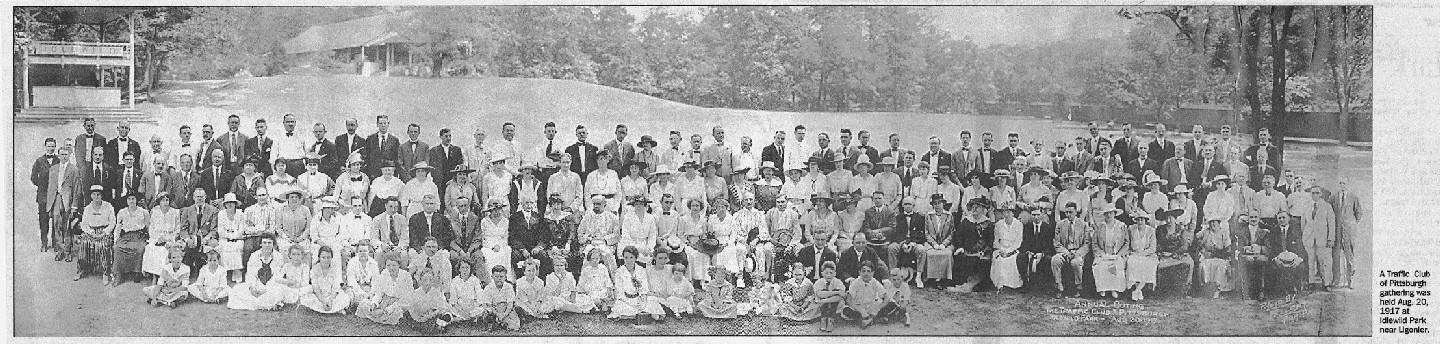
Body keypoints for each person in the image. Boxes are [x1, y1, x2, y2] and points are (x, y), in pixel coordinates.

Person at [227, 235, 287, 311]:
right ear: (261, 244)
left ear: (273, 244)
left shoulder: (278, 257)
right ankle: (267, 305)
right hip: (257, 284)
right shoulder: (254, 255)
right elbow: (250, 274)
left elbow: (277, 276)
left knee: (279, 291)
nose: (267, 245)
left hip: (271, 286)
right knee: (235, 290)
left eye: (269, 243)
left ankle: (262, 303)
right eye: (264, 243)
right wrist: (252, 288)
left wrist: (265, 290)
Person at [610, 246, 665, 321]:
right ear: (623, 258)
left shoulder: (641, 270)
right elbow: (619, 291)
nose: (628, 260)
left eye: (631, 257)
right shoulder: (619, 272)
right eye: (626, 257)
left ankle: (640, 313)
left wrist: (643, 299)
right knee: (619, 306)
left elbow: (644, 287)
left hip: (639, 298)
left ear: (635, 258)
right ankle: (637, 314)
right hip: (626, 300)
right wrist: (630, 302)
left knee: (652, 300)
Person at [949, 197, 991, 293]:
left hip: (982, 252)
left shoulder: (987, 223)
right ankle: (961, 283)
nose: (975, 209)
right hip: (967, 250)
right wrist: (960, 247)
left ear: (983, 209)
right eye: (973, 207)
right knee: (960, 258)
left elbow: (990, 239)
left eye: (977, 207)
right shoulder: (966, 221)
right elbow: (958, 236)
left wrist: (984, 251)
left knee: (984, 262)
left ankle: (977, 285)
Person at [358, 253, 411, 325]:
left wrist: (389, 308)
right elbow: (379, 293)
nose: (391, 268)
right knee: (364, 303)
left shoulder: (406, 276)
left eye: (394, 265)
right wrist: (374, 303)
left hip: (399, 303)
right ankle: (380, 316)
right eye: (388, 265)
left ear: (399, 265)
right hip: (385, 301)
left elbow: (407, 297)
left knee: (396, 313)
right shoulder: (384, 273)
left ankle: (383, 317)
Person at [1091, 200, 1128, 299]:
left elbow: (1126, 243)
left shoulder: (1121, 226)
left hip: (1116, 253)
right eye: (1106, 213)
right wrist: (1101, 253)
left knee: (1116, 265)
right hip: (1104, 253)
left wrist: (1119, 253)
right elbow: (1094, 243)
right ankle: (1103, 289)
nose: (1108, 215)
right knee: (1101, 265)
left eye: (1111, 213)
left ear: (1114, 214)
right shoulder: (1100, 226)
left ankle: (1114, 289)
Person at [1051, 202, 1089, 298]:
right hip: (1064, 251)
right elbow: (1056, 243)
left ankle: (1078, 287)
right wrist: (1066, 252)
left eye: (1071, 212)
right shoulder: (1060, 224)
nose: (1068, 215)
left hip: (1077, 252)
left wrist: (1077, 253)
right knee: (1055, 260)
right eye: (1066, 212)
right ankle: (1059, 286)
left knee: (1076, 262)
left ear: (1076, 212)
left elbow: (1087, 244)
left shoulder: (1083, 225)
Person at [1330, 179, 1363, 291]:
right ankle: (1336, 279)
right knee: (1336, 256)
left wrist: (1351, 224)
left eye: (1344, 183)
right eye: (1340, 183)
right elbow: (1330, 212)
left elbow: (1358, 212)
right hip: (1336, 231)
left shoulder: (1353, 197)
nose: (1342, 185)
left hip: (1349, 231)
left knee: (1349, 256)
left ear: (1347, 184)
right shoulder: (1333, 197)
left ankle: (1350, 280)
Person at [404, 267, 458, 334]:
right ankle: (433, 325)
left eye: (430, 280)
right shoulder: (416, 293)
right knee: (407, 316)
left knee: (445, 315)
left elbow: (440, 308)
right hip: (419, 315)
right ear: (420, 280)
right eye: (425, 280)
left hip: (432, 315)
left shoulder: (436, 293)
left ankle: (439, 324)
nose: (428, 282)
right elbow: (411, 308)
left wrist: (429, 316)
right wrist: (417, 318)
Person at [1303, 185, 1337, 291]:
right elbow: (1303, 223)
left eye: (1317, 193)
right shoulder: (1307, 206)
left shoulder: (1327, 206)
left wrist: (1331, 238)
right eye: (1313, 193)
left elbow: (1331, 223)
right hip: (1309, 238)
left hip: (1323, 239)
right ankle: (1311, 282)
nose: (1315, 195)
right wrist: (1304, 235)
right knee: (1310, 261)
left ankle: (1326, 283)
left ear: (1321, 194)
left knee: (1324, 262)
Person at [112, 193, 150, 286]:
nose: (131, 201)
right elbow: (118, 227)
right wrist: (115, 239)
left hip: (139, 236)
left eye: (133, 198)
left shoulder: (143, 212)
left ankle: (137, 272)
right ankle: (119, 274)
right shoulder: (122, 212)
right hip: (126, 236)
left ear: (136, 200)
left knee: (140, 249)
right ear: (127, 201)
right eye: (129, 199)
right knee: (118, 248)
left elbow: (149, 227)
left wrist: (150, 239)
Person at [1266, 211, 1307, 298]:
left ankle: (1296, 289)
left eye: (1283, 217)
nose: (1281, 220)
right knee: (1271, 267)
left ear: (1288, 218)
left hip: (1293, 259)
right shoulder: (1273, 231)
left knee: (1301, 267)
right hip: (1279, 259)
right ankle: (1278, 291)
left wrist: (1297, 261)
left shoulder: (1296, 230)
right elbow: (1271, 248)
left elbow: (1301, 248)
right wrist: (1276, 259)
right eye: (1279, 218)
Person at [300, 246, 351, 314]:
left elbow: (335, 288)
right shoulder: (315, 269)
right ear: (319, 258)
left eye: (328, 257)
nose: (326, 260)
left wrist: (330, 300)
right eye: (323, 257)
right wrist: (323, 301)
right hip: (318, 296)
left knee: (344, 298)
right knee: (306, 296)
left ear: (331, 258)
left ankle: (333, 306)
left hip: (332, 295)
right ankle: (327, 307)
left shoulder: (335, 269)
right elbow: (316, 289)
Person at [1233, 214, 1271, 301]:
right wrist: (1247, 249)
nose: (1253, 219)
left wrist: (1259, 248)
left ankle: (1261, 291)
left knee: (1261, 260)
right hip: (1246, 255)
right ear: (1248, 219)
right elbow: (1238, 247)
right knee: (1248, 260)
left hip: (1260, 255)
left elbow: (1268, 248)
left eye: (1255, 217)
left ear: (1259, 219)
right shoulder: (1242, 232)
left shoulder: (1264, 232)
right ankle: (1247, 293)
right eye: (1251, 217)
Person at [840, 261, 886, 329]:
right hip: (859, 307)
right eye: (863, 271)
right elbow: (849, 299)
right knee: (845, 311)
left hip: (871, 308)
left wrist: (877, 309)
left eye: (868, 271)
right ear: (859, 272)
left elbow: (886, 297)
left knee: (891, 305)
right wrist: (861, 310)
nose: (866, 274)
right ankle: (871, 319)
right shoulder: (856, 283)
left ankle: (868, 320)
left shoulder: (875, 282)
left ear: (872, 273)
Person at [990, 202, 1025, 291]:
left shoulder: (1018, 225)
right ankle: (1000, 285)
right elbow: (996, 240)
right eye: (1004, 212)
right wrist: (1001, 250)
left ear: (1013, 213)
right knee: (999, 260)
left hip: (1013, 250)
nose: (1006, 214)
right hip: (1001, 249)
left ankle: (1011, 285)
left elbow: (1018, 241)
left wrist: (1009, 251)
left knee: (1011, 261)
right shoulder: (998, 224)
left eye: (1008, 212)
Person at [1125, 211, 1158, 301]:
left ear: (1145, 221)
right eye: (1138, 220)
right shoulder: (1131, 229)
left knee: (1148, 265)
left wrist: (1142, 254)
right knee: (1131, 263)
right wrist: (1130, 252)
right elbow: (1127, 243)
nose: (1140, 222)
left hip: (1147, 255)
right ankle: (1137, 290)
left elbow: (1152, 248)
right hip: (1134, 254)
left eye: (1142, 220)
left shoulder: (1151, 230)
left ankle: (1137, 289)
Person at [1198, 218, 1234, 298]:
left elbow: (1228, 248)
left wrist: (1221, 253)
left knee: (1220, 265)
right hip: (1208, 257)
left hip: (1220, 257)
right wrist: (1204, 251)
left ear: (1219, 223)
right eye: (1211, 222)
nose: (1212, 224)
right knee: (1203, 265)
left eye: (1214, 222)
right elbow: (1200, 245)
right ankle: (1206, 288)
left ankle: (1218, 289)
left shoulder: (1223, 233)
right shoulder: (1206, 232)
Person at [480, 265, 522, 330]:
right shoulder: (488, 287)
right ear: (492, 277)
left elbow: (510, 304)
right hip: (494, 308)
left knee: (515, 325)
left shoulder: (508, 287)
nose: (499, 279)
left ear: (505, 277)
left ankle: (501, 323)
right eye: (496, 277)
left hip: (506, 309)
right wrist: (497, 314)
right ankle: (495, 322)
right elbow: (488, 304)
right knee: (488, 312)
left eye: (501, 277)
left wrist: (504, 314)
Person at [578, 247, 615, 313]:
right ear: (589, 259)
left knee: (606, 295)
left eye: (597, 259)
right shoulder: (586, 270)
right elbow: (581, 283)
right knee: (585, 299)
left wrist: (609, 292)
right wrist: (582, 292)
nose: (595, 261)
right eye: (593, 259)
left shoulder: (603, 268)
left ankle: (601, 304)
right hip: (590, 292)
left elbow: (607, 281)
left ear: (600, 259)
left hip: (601, 290)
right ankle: (599, 304)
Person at [813, 261, 847, 332]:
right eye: (826, 273)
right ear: (822, 273)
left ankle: (831, 319)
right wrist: (836, 292)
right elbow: (820, 294)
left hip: (834, 304)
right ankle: (823, 319)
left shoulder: (838, 282)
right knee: (825, 291)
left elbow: (841, 296)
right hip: (821, 304)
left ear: (835, 273)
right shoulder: (819, 282)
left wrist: (826, 300)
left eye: (831, 273)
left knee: (835, 297)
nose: (828, 275)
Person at [347, 240, 382, 305]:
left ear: (368, 252)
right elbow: (351, 280)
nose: (363, 253)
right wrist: (361, 292)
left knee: (378, 293)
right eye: (360, 251)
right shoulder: (352, 263)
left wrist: (371, 292)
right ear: (357, 252)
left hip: (369, 289)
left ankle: (370, 304)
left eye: (365, 251)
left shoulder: (373, 263)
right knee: (349, 293)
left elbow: (376, 280)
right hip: (356, 289)